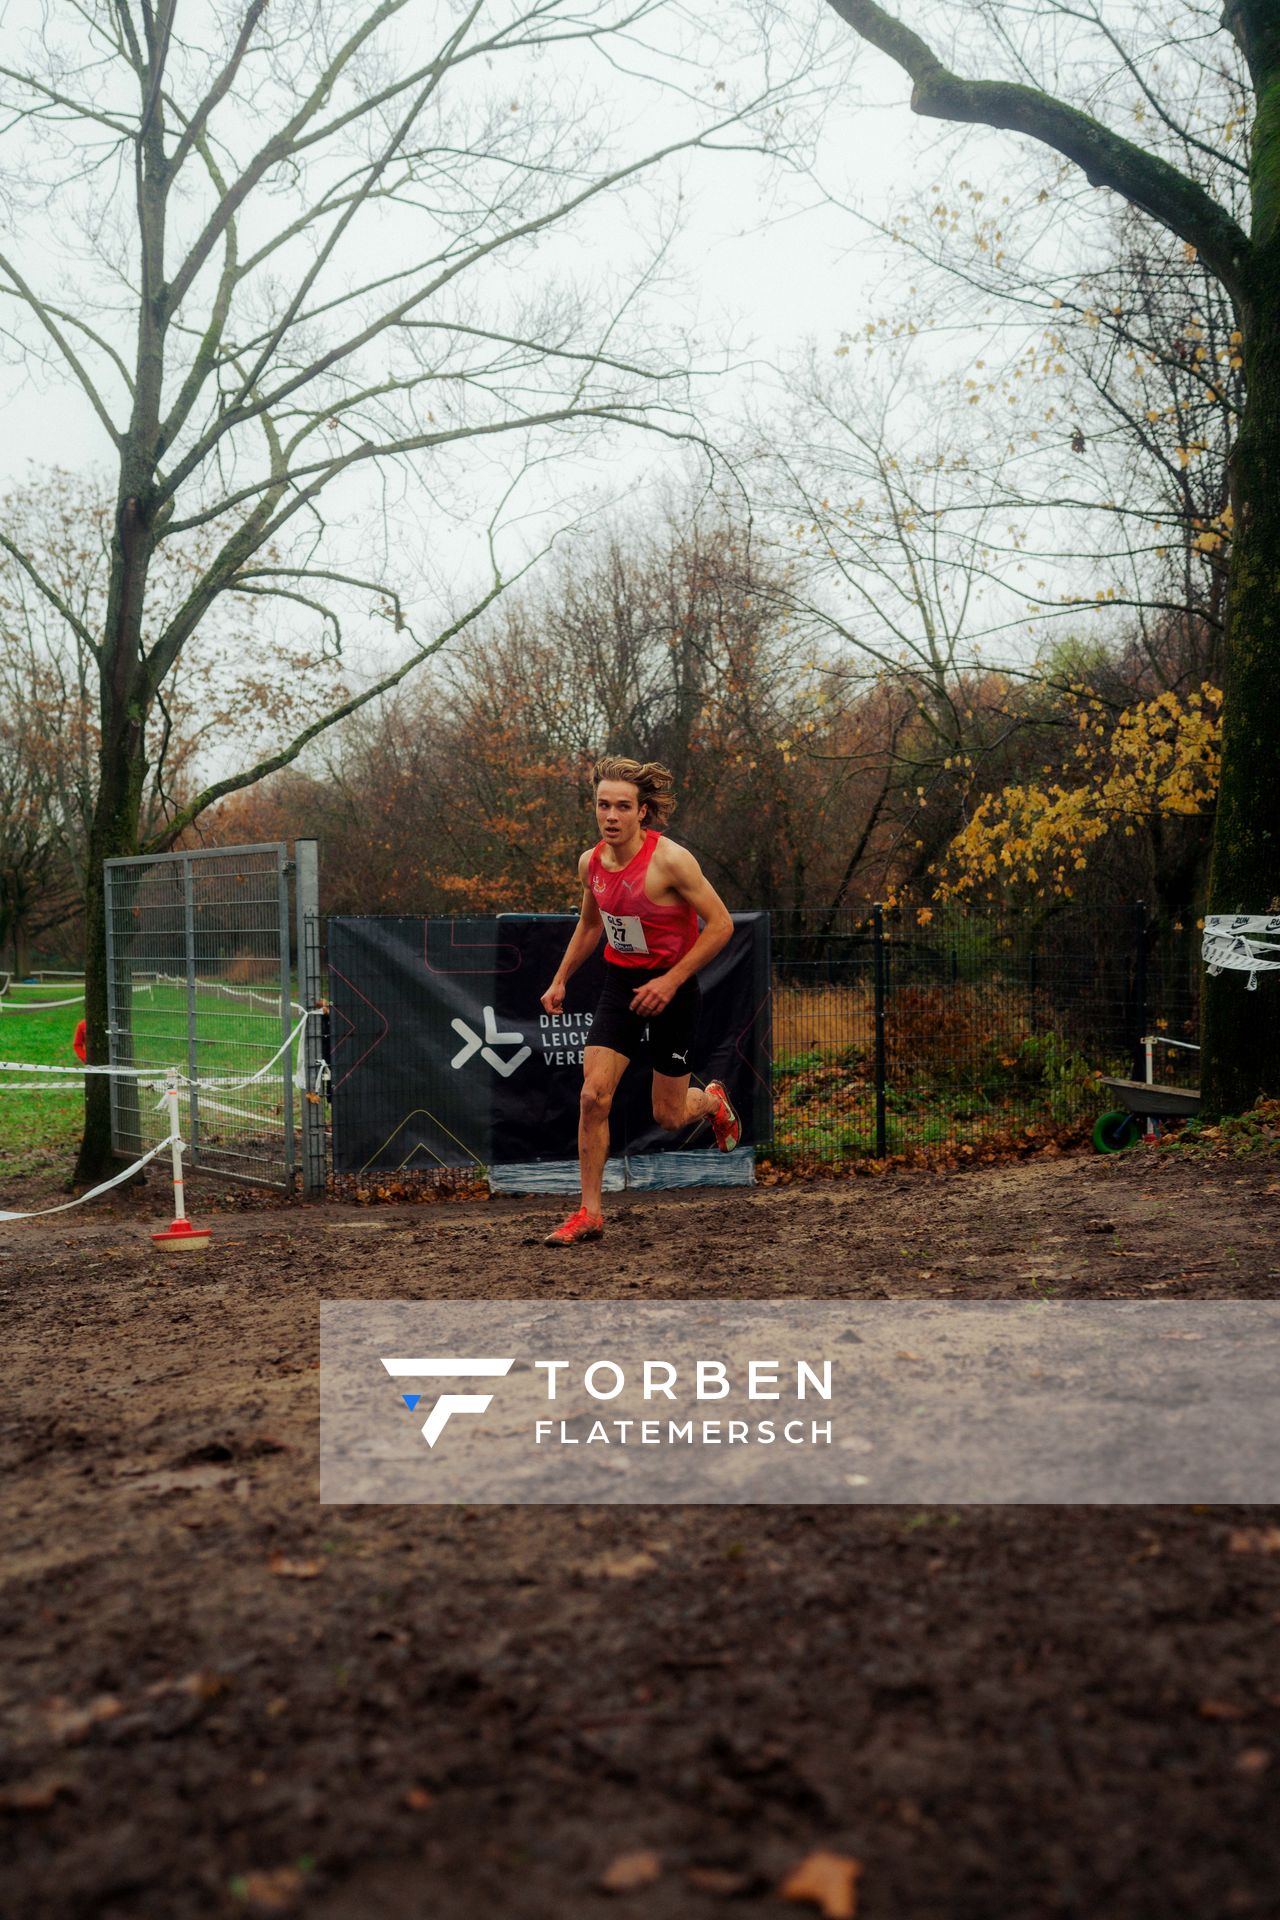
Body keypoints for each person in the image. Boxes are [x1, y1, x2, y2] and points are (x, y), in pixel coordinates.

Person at [540, 756, 741, 1246]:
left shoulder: (671, 860)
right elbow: (591, 926)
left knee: (668, 1116)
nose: (610, 816)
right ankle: (589, 1213)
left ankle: (713, 1100)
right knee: (593, 1096)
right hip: (620, 986)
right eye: (603, 805)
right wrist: (560, 978)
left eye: (622, 807)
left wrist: (670, 981)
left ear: (642, 812)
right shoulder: (591, 863)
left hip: (672, 990)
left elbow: (721, 925)